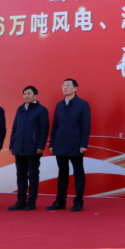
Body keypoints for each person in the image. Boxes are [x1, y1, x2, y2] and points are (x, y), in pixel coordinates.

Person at [47, 79, 91, 212]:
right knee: (62, 174)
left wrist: (83, 144)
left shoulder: (82, 104)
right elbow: (55, 125)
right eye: (63, 85)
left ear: (75, 88)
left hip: (76, 145)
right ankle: (60, 202)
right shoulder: (59, 105)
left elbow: (86, 126)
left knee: (78, 174)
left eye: (68, 85)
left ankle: (78, 202)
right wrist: (52, 143)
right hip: (60, 144)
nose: (65, 88)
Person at [8, 86, 50, 211]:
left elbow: (44, 129)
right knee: (20, 175)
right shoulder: (20, 109)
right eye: (24, 94)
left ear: (35, 96)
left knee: (32, 175)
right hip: (19, 148)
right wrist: (12, 144)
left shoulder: (41, 110)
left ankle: (31, 202)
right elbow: (14, 128)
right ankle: (21, 201)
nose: (26, 96)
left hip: (33, 148)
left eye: (29, 93)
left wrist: (41, 146)